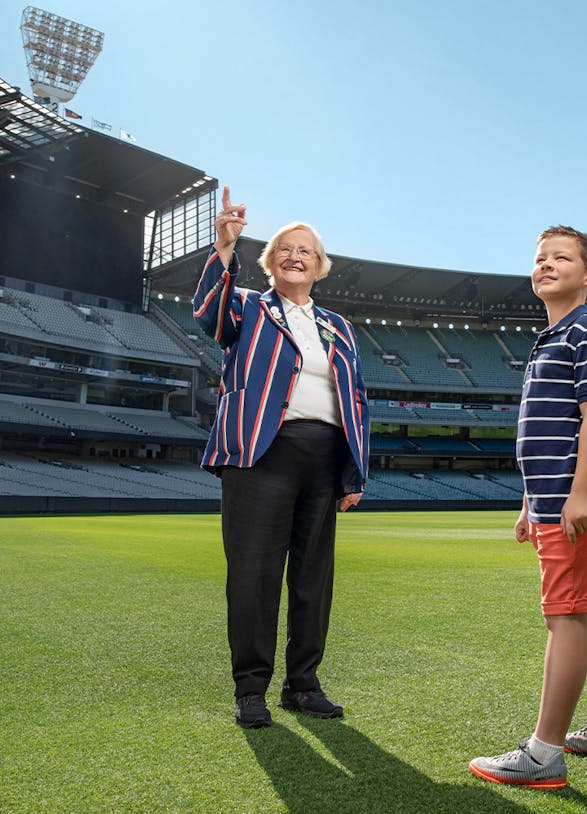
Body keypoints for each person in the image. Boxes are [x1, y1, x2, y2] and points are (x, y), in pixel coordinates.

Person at [191, 186, 370, 729]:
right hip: (259, 454)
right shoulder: (247, 306)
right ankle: (251, 689)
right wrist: (224, 247)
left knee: (314, 579)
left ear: (319, 267)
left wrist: (353, 468)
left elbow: (356, 395)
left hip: (323, 457)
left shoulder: (338, 326)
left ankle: (304, 683)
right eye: (286, 249)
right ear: (270, 261)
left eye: (306, 252)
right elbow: (208, 316)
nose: (296, 256)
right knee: (254, 575)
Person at [469, 226, 587, 790]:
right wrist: (528, 503)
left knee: (564, 615)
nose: (546, 264)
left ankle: (543, 753)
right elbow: (544, 433)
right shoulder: (550, 336)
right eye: (539, 258)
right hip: (552, 498)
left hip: (572, 502)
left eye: (561, 257)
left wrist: (579, 493)